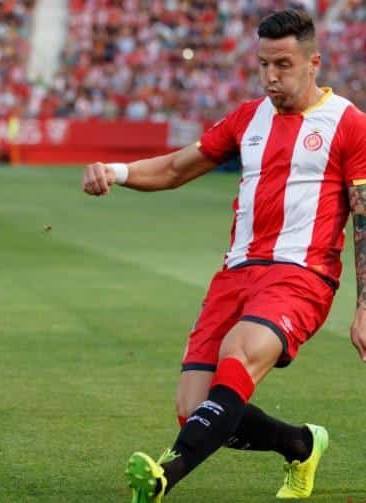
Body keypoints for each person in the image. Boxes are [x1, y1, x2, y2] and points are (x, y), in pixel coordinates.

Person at [81, 9, 366, 502]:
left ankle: (165, 476)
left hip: (302, 276)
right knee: (196, 409)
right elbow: (175, 169)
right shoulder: (247, 118)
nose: (271, 76)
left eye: (283, 64)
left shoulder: (350, 124)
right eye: (263, 64)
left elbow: (363, 215)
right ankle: (301, 444)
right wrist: (116, 172)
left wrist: (364, 304)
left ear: (313, 62)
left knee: (239, 352)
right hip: (236, 274)